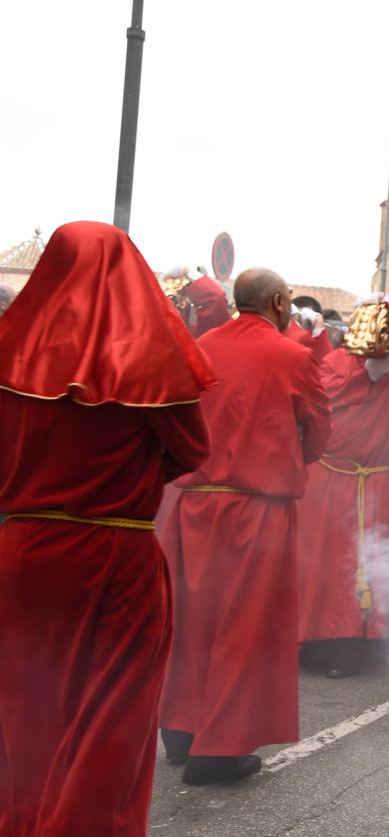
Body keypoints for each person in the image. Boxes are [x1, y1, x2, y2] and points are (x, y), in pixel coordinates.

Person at [0, 221, 214, 833]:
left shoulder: (7, 351)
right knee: (110, 718)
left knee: (22, 710)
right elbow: (192, 451)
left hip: (23, 550)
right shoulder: (151, 363)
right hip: (116, 551)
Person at [158, 267, 331, 785]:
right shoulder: (293, 356)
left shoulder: (203, 345)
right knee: (244, 627)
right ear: (279, 302)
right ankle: (219, 750)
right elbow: (319, 431)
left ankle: (181, 732)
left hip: (193, 506)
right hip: (257, 508)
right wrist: (284, 456)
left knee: (192, 621)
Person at [296, 294, 389, 678]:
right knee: (325, 570)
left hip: (375, 481)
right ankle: (316, 642)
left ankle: (353, 645)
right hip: (331, 481)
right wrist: (365, 372)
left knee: (365, 567)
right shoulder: (335, 364)